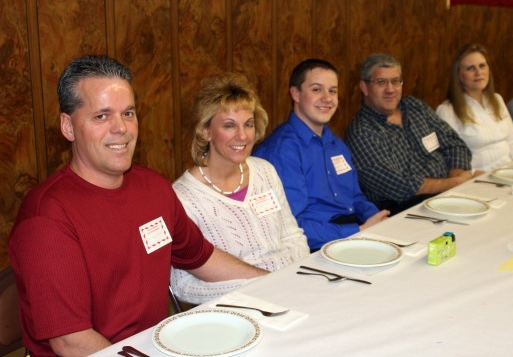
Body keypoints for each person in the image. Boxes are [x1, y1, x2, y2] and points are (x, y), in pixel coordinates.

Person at [8, 55, 267, 356]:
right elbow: (72, 341)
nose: (121, 128)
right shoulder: (47, 218)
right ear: (68, 126)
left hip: (156, 347)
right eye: (101, 116)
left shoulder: (153, 187)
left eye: (128, 113)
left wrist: (273, 283)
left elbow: (201, 257)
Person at [170, 73, 309, 304]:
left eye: (248, 124)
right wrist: (263, 285)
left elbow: (292, 235)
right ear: (206, 131)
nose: (242, 136)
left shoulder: (264, 171)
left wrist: (294, 280)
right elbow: (183, 286)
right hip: (239, 306)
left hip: (293, 288)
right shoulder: (183, 199)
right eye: (229, 125)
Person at [254, 59, 389, 251]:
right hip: (316, 246)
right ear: (296, 94)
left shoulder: (336, 144)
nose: (327, 98)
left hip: (353, 229)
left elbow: (356, 198)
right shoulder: (282, 150)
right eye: (317, 90)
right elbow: (291, 225)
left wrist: (377, 218)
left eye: (332, 91)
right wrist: (358, 230)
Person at [345, 53, 474, 216]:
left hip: (448, 195)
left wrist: (457, 178)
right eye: (381, 82)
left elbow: (455, 144)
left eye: (395, 81)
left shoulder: (414, 106)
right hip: (406, 211)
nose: (390, 89)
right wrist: (454, 183)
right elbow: (401, 187)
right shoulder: (361, 132)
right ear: (364, 88)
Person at [436, 44, 513, 171]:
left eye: (482, 66)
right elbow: (449, 159)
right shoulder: (447, 110)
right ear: (459, 75)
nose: (478, 72)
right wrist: (471, 175)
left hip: (510, 170)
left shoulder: (497, 99)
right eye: (470, 68)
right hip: (478, 179)